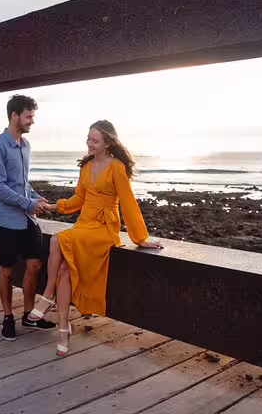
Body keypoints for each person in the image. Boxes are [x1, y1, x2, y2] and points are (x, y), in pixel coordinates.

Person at [29, 120, 163, 356]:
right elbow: (78, 200)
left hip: (104, 229)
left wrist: (140, 238)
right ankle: (63, 328)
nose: (89, 143)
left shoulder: (117, 167)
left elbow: (129, 203)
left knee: (57, 240)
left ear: (108, 142)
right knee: (64, 270)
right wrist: (54, 206)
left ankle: (47, 295)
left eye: (95, 140)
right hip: (84, 224)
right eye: (88, 139)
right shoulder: (86, 166)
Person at [0, 94, 57, 341]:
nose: (32, 121)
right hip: (4, 220)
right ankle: (8, 317)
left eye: (32, 116)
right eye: (28, 116)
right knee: (6, 270)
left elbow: (22, 184)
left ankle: (29, 315)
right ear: (14, 116)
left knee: (35, 265)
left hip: (27, 219)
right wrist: (29, 203)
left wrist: (38, 199)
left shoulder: (26, 146)